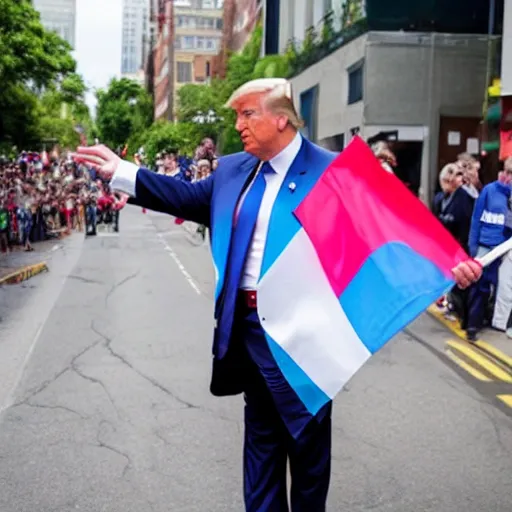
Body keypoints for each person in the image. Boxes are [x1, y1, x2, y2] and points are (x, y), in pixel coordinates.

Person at [72, 78, 482, 511]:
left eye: (248, 114)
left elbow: (389, 229)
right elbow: (185, 197)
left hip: (306, 340)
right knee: (261, 455)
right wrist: (121, 171)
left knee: (307, 463)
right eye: (236, 115)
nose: (239, 124)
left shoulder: (333, 172)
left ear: (281, 117)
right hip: (247, 332)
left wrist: (448, 264)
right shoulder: (233, 171)